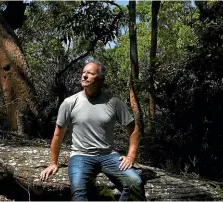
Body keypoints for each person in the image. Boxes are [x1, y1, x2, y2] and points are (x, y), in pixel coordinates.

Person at [40, 60, 146, 201]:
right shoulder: (69, 103)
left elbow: (134, 130)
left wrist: (131, 157)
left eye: (89, 73)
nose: (84, 76)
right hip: (80, 156)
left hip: (108, 155)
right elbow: (58, 135)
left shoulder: (114, 102)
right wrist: (53, 163)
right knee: (79, 193)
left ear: (100, 80)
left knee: (135, 182)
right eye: (83, 72)